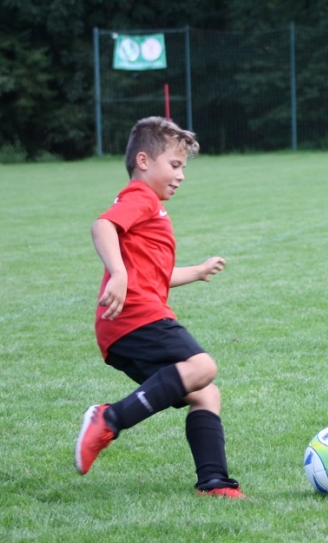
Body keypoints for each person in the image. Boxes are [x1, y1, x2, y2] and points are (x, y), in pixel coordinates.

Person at [74, 116, 243, 498]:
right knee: (203, 367)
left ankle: (213, 482)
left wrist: (196, 272)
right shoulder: (140, 197)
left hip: (125, 324)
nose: (181, 175)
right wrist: (118, 273)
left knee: (205, 393)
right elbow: (102, 227)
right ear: (144, 161)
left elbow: (154, 275)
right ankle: (109, 418)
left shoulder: (149, 205)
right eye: (175, 165)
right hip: (136, 316)